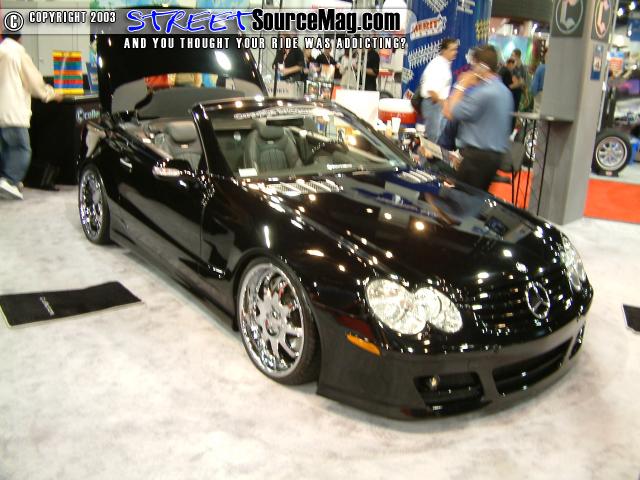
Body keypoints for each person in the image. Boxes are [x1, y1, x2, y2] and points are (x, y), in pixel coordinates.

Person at [0, 32, 63, 200]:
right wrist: (52, 94)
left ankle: (7, 180)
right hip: (13, 112)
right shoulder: (18, 53)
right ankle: (10, 181)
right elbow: (35, 84)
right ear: (20, 37)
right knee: (22, 149)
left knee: (7, 149)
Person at [443, 45, 514, 191]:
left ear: (482, 67)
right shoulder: (505, 92)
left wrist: (462, 84)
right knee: (475, 199)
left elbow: (450, 111)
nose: (472, 70)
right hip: (493, 158)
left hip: (476, 159)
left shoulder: (483, 92)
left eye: (474, 65)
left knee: (461, 200)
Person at [419, 38, 459, 141]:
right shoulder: (437, 65)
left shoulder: (444, 64)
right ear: (444, 50)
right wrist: (444, 105)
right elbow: (431, 91)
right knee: (433, 139)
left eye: (456, 49)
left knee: (438, 138)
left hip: (438, 105)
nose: (455, 52)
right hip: (433, 104)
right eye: (452, 49)